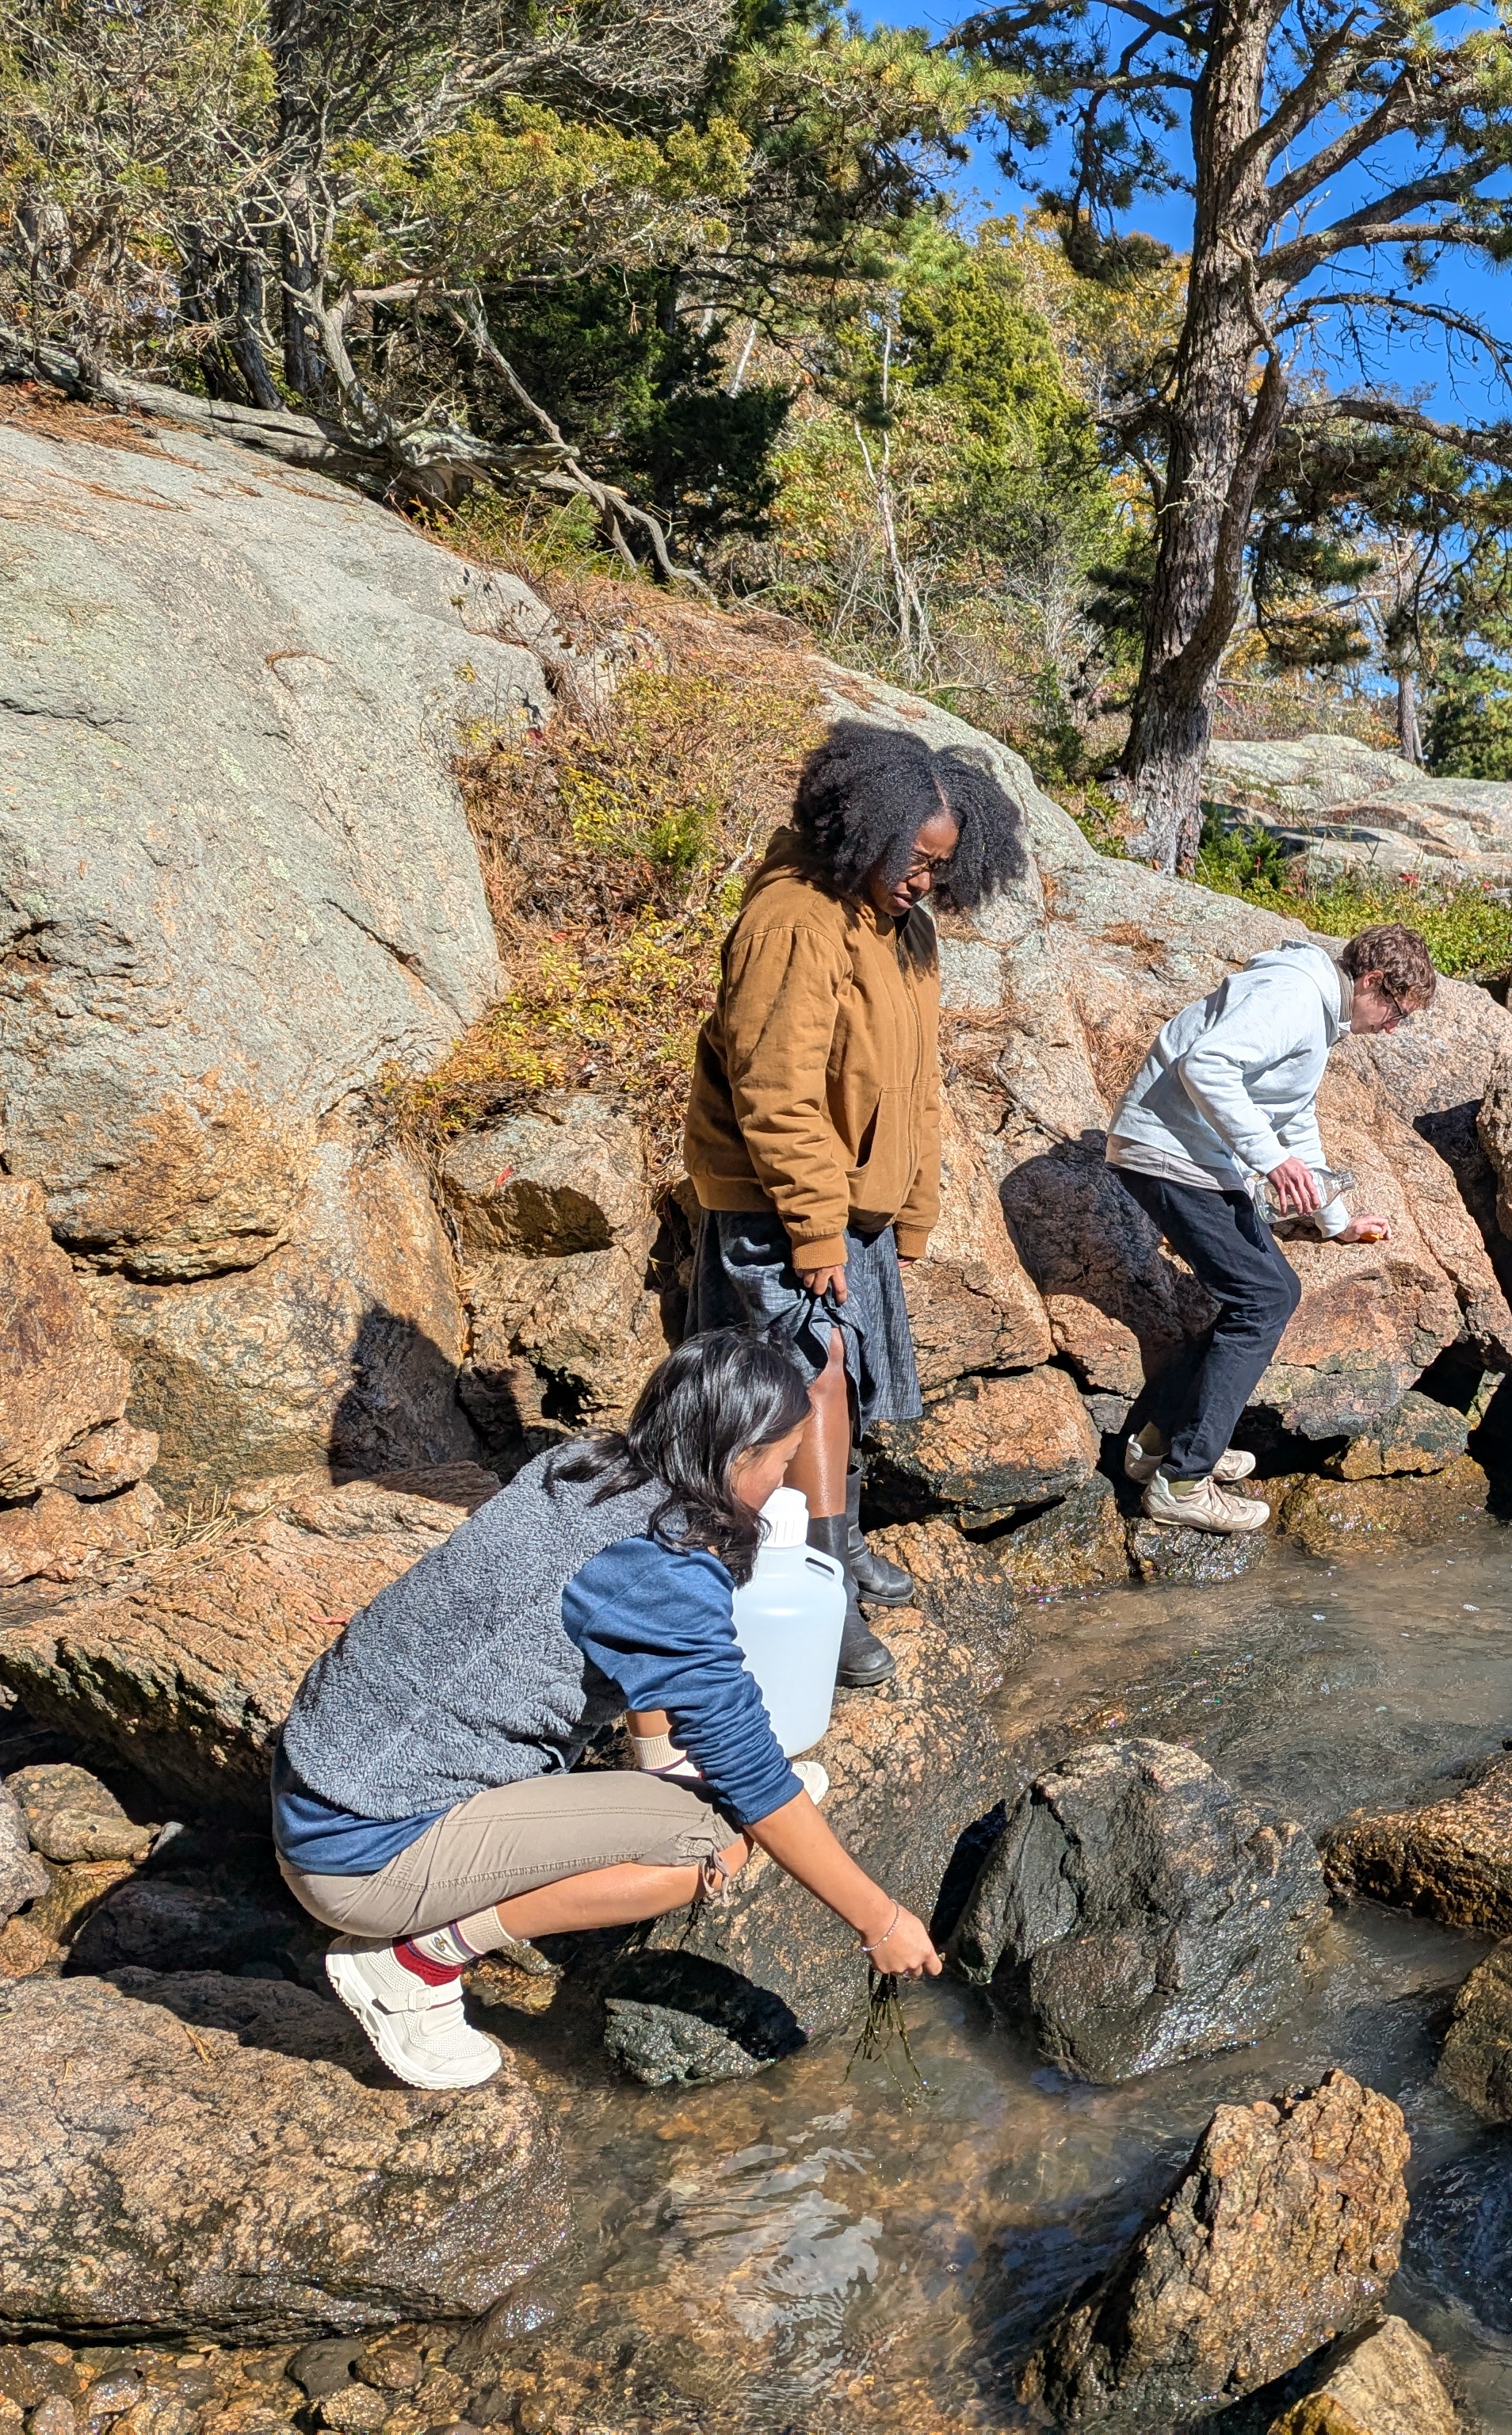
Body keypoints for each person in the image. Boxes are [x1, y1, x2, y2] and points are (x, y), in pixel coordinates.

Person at [275, 1328, 941, 2091]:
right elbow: (756, 1781)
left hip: (320, 1784)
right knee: (715, 1839)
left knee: (718, 1794)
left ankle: (652, 1780)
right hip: (363, 1858)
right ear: (735, 1456)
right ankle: (413, 1965)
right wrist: (880, 1920)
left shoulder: (586, 1468)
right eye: (784, 1462)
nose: (786, 1485)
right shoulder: (663, 1569)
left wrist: (662, 1762)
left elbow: (634, 1651)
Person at [684, 720, 1025, 1683]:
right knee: (812, 1377)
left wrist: (909, 1214)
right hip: (780, 1200)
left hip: (852, 1206)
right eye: (915, 860)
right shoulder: (795, 919)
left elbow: (918, 1089)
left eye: (941, 868)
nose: (926, 882)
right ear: (864, 826)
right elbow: (775, 1092)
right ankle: (816, 1580)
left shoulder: (899, 928)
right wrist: (815, 1227)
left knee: (845, 1378)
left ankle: (841, 1536)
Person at [1105, 924, 1441, 1532]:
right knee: (1264, 1298)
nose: (1393, 1028)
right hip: (1170, 1153)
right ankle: (1182, 1481)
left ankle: (1163, 1443)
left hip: (1189, 1156)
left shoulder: (1315, 1014)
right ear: (1370, 982)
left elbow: (1294, 1119)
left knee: (1261, 1294)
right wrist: (1270, 1160)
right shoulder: (1292, 996)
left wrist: (1334, 1222)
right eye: (1396, 1011)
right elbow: (1205, 1065)